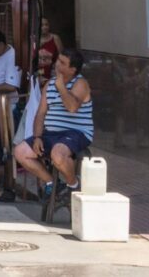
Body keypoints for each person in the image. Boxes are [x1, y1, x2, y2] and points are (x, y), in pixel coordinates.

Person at [13, 48, 93, 198]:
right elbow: (41, 113)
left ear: (73, 69)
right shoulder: (49, 85)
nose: (57, 65)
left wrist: (61, 86)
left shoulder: (81, 83)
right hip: (51, 133)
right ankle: (53, 183)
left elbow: (72, 108)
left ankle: (73, 185)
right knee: (20, 151)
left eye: (62, 63)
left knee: (58, 153)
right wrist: (37, 136)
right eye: (58, 60)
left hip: (76, 133)